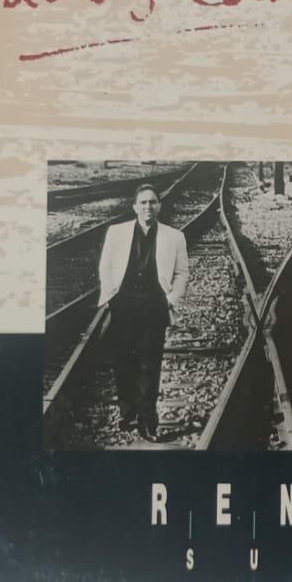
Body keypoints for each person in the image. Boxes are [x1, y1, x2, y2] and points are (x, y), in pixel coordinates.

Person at [97, 184, 189, 440]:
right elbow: (106, 266)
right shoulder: (116, 232)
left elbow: (182, 273)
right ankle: (127, 413)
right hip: (123, 305)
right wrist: (111, 296)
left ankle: (147, 421)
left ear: (160, 206)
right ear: (135, 207)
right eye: (143, 202)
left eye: (153, 202)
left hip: (154, 307)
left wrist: (170, 300)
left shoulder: (174, 237)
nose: (148, 206)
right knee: (123, 361)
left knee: (150, 364)